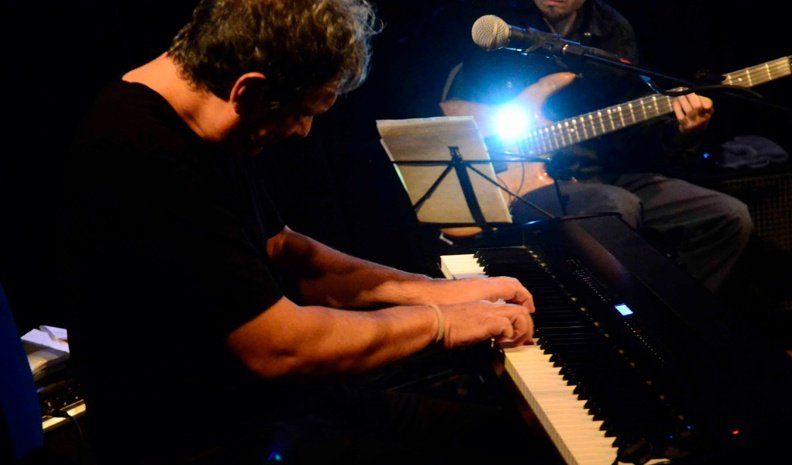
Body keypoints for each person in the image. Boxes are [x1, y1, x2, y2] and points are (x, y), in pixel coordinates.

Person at [58, 1, 538, 464]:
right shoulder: (139, 153)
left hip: (275, 410)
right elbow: (279, 346)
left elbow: (286, 251)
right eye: (303, 112)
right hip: (200, 441)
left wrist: (436, 291)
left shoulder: (201, 111)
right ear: (248, 91)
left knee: (511, 436)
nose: (304, 131)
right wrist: (441, 322)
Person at [440, 0, 752, 292]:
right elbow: (449, 110)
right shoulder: (497, 21)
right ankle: (615, 317)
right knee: (615, 206)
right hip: (522, 179)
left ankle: (674, 313)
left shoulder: (612, 29)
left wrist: (684, 132)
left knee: (728, 215)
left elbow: (638, 136)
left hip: (604, 171)